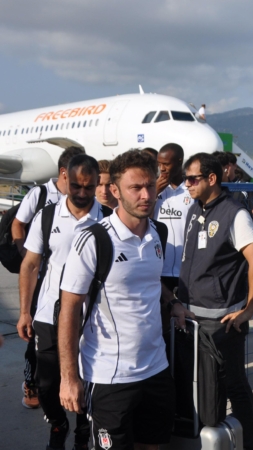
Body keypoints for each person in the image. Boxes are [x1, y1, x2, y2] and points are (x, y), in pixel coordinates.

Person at [58, 150, 184, 450]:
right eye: (135, 187)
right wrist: (68, 378)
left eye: (150, 186)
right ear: (114, 191)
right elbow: (69, 309)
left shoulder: (158, 233)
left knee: (155, 445)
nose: (146, 195)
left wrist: (174, 302)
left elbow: (150, 282)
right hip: (109, 376)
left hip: (156, 368)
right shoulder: (94, 240)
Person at [17, 154, 107, 450]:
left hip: (90, 317)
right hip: (47, 314)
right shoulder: (47, 216)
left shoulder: (107, 220)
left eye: (89, 187)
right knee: (46, 384)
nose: (82, 193)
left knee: (85, 378)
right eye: (77, 186)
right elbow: (30, 266)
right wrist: (24, 312)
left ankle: (82, 431)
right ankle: (58, 422)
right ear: (65, 177)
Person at [177, 153, 253, 450]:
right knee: (203, 390)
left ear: (211, 179)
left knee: (235, 387)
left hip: (223, 323)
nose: (186, 184)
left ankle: (247, 444)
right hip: (191, 320)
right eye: (185, 178)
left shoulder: (234, 213)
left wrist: (247, 311)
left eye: (192, 179)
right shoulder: (194, 209)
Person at [11, 145, 84, 410]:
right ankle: (31, 382)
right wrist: (26, 254)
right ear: (64, 173)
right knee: (34, 339)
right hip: (42, 281)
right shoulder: (40, 194)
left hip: (74, 289)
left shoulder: (90, 205)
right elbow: (18, 223)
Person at [154, 144, 194, 336]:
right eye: (159, 164)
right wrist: (153, 192)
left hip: (186, 269)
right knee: (162, 321)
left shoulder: (191, 191)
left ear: (179, 162)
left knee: (186, 320)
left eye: (166, 164)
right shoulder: (154, 191)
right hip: (160, 269)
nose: (162, 169)